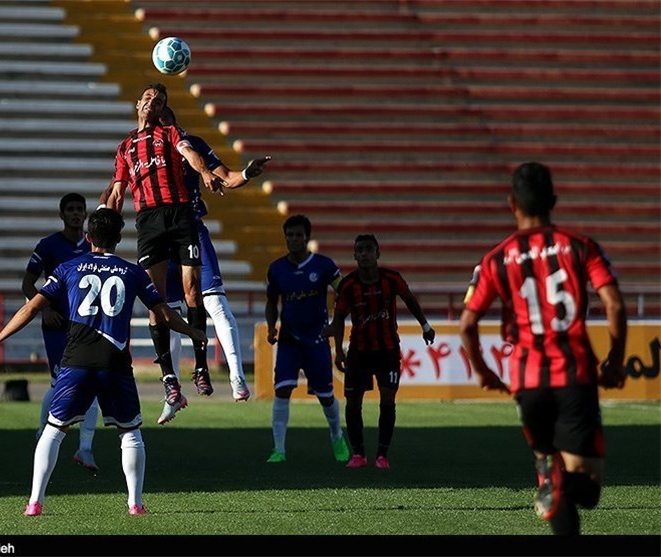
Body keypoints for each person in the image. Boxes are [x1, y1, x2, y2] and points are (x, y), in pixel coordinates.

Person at [0, 208, 207, 517]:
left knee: (54, 431)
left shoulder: (69, 268)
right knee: (130, 433)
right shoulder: (132, 271)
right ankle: (135, 504)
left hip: (76, 361)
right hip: (115, 363)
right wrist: (191, 330)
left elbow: (32, 307)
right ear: (119, 238)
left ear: (88, 237)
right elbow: (162, 312)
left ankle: (34, 503)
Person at [459, 162, 628, 535]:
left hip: (527, 382)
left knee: (556, 480)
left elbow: (468, 324)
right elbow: (614, 304)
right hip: (574, 376)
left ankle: (548, 476)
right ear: (553, 200)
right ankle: (555, 482)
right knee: (588, 491)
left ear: (511, 204)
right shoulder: (581, 246)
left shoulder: (495, 259)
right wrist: (615, 361)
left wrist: (484, 372)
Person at [100, 83, 226, 425]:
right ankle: (170, 380)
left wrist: (203, 173)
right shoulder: (126, 146)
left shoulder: (170, 133)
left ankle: (200, 367)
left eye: (159, 101)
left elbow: (189, 153)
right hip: (149, 220)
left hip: (180, 213)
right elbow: (117, 189)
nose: (152, 103)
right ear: (138, 103)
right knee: (155, 300)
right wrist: (106, 220)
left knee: (191, 291)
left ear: (162, 109)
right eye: (148, 98)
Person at [159, 106, 271, 402]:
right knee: (168, 313)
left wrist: (247, 173)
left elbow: (228, 177)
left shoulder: (192, 144)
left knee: (217, 305)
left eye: (170, 121)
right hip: (161, 236)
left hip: (192, 229)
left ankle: (237, 376)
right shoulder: (141, 148)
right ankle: (173, 391)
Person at [323, 234, 435, 469]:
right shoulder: (348, 285)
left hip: (387, 350)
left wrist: (425, 325)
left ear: (377, 253)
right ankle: (359, 454)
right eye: (359, 250)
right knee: (352, 403)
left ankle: (382, 455)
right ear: (354, 255)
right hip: (358, 352)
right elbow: (340, 317)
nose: (364, 254)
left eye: (368, 250)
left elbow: (410, 299)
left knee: (387, 399)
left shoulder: (391, 279)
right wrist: (339, 351)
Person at [21, 192, 100, 473]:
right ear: (62, 214)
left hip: (86, 325)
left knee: (92, 385)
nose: (76, 214)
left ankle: (85, 448)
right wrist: (44, 309)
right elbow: (28, 284)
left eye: (80, 209)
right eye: (71, 209)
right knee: (59, 383)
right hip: (56, 325)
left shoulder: (94, 245)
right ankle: (43, 432)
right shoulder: (48, 246)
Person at [264, 214, 350, 463]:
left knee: (325, 396)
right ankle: (278, 449)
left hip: (316, 341)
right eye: (289, 235)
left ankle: (337, 437)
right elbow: (271, 302)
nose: (293, 239)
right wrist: (271, 327)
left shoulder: (323, 266)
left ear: (307, 237)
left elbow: (344, 293)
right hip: (289, 341)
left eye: (298, 235)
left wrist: (335, 324)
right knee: (282, 391)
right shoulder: (277, 268)